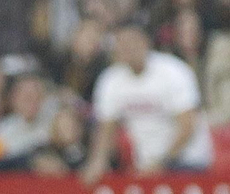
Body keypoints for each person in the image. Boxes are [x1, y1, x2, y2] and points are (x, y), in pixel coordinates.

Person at [80, 23, 213, 183]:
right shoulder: (111, 80)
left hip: (187, 162)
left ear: (145, 43)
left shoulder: (174, 71)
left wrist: (161, 163)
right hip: (146, 165)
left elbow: (187, 127)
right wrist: (97, 162)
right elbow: (106, 129)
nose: (126, 48)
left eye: (131, 43)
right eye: (121, 44)